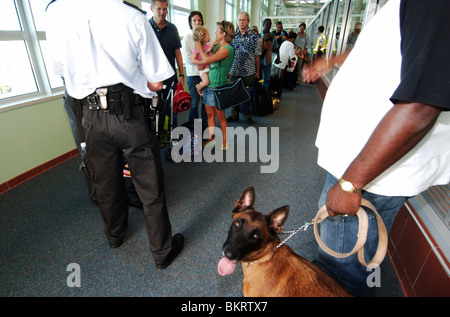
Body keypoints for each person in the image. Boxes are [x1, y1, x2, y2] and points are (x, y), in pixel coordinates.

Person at [303, 0, 449, 296]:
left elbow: (420, 105)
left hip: (370, 175)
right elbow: (381, 53)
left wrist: (350, 184)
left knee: (340, 272)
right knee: (340, 259)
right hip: (359, 166)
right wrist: (332, 61)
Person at [45, 0, 184, 269]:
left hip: (91, 117)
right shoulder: (131, 16)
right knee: (150, 186)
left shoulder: (60, 14)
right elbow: (156, 81)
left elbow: (61, 71)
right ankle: (161, 252)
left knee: (106, 184)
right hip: (130, 115)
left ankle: (115, 236)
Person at [191, 21, 235, 150]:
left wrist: (199, 48)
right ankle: (212, 139)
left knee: (220, 116)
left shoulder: (228, 49)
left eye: (217, 30)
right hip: (209, 87)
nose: (215, 32)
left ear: (223, 34)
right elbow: (204, 59)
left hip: (218, 87)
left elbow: (206, 60)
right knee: (210, 115)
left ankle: (225, 142)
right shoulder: (216, 47)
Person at [149, 0, 184, 126]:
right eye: (159, 9)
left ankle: (173, 136)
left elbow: (178, 53)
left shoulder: (172, 28)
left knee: (172, 107)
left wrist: (181, 74)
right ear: (152, 8)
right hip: (152, 77)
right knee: (154, 108)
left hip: (170, 76)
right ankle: (156, 137)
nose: (162, 12)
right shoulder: (146, 27)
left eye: (165, 9)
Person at [227, 11, 261, 124]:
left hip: (249, 71)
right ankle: (234, 114)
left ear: (248, 21)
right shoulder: (232, 36)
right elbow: (228, 54)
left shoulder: (254, 36)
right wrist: (228, 70)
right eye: (239, 20)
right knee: (234, 93)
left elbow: (257, 55)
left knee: (247, 94)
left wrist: (257, 71)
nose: (241, 22)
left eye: (244, 20)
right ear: (237, 21)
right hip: (235, 70)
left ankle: (247, 115)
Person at [182, 11, 208, 126]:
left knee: (205, 102)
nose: (197, 22)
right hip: (193, 75)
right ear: (190, 23)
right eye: (194, 20)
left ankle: (205, 126)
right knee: (194, 103)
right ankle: (194, 127)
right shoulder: (187, 38)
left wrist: (205, 61)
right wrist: (202, 62)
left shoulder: (204, 37)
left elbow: (208, 53)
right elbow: (187, 58)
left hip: (205, 74)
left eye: (199, 20)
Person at [192, 26, 213, 97]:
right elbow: (193, 60)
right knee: (206, 82)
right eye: (207, 34)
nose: (209, 36)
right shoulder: (197, 48)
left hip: (209, 67)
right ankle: (198, 87)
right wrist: (203, 63)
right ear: (203, 37)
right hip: (203, 69)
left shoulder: (209, 46)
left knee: (210, 84)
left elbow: (212, 57)